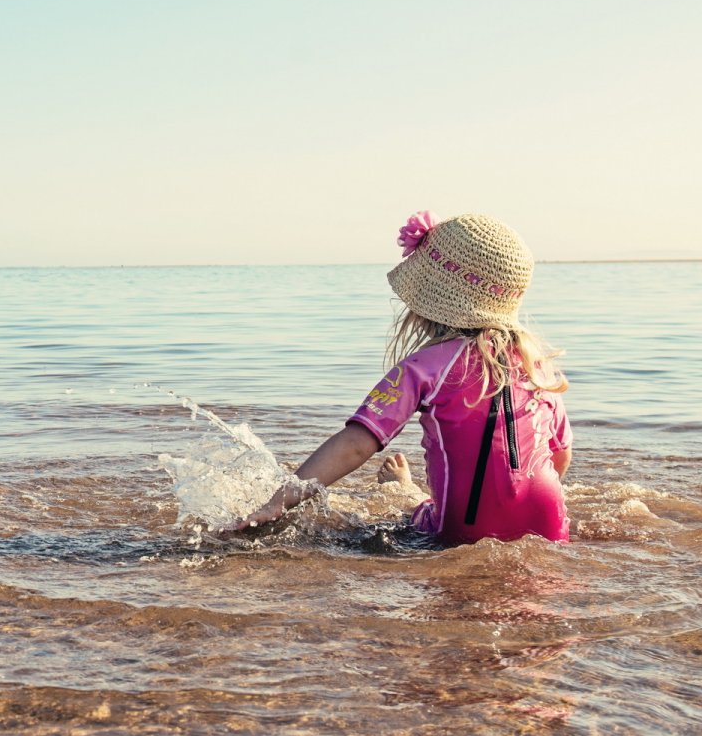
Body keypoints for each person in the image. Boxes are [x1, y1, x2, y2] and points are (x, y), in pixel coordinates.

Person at [226, 211, 572, 544]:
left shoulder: (425, 367)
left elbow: (357, 444)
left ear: (429, 296)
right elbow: (560, 456)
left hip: (464, 528)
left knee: (418, 516)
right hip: (551, 521)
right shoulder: (537, 366)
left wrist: (278, 501)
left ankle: (403, 489)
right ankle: (416, 493)